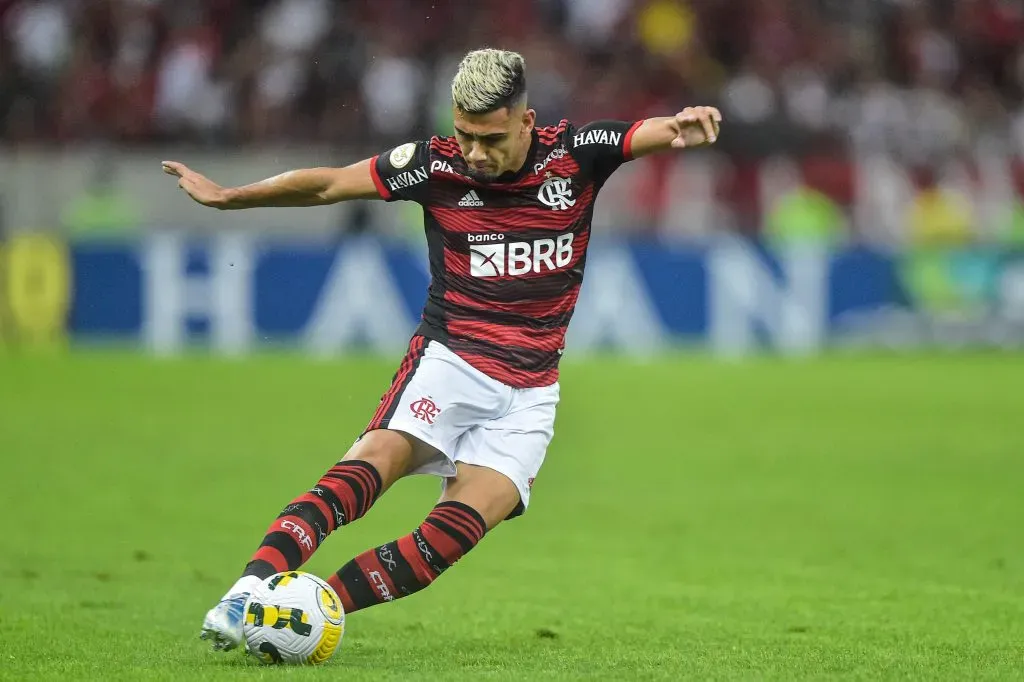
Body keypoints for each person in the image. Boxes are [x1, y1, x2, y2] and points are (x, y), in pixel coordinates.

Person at [162, 48, 721, 652]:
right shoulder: (433, 166)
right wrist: (229, 197)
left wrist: (679, 128)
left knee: (447, 539)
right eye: (464, 134)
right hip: (451, 362)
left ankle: (312, 609)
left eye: (491, 137)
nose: (476, 152)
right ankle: (245, 593)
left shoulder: (576, 155)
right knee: (372, 465)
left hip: (531, 393)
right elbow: (328, 184)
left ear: (527, 121)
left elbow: (644, 133)